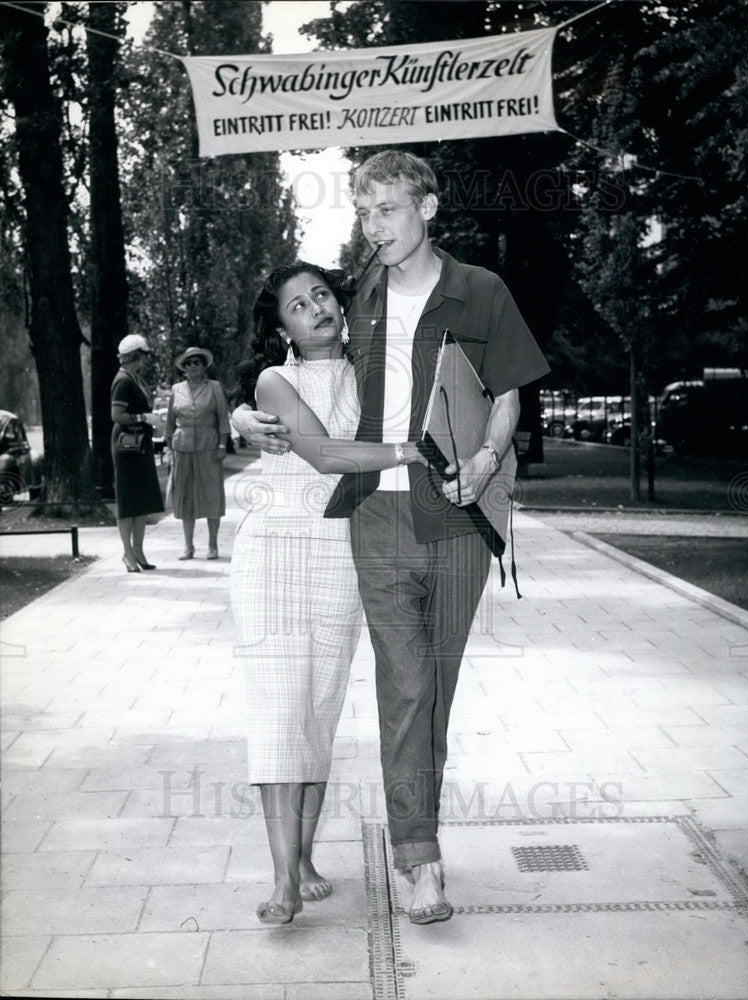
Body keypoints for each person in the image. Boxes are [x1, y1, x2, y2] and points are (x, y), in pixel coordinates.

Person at [233, 150, 550, 925]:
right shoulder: (362, 291)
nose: (374, 228)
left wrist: (481, 460)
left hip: (459, 520)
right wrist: (246, 416)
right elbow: (294, 364)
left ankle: (415, 838)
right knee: (404, 686)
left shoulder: (481, 291)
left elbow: (509, 395)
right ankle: (421, 862)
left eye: (389, 211)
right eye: (364, 213)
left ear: (428, 209)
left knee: (432, 689)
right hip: (375, 518)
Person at [230, 261, 427, 925]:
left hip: (343, 555)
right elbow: (326, 454)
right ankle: (283, 879)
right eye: (296, 304)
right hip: (273, 554)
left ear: (340, 307)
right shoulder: (273, 379)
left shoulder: (373, 377)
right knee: (279, 706)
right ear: (280, 324)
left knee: (318, 708)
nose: (314, 308)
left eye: (321, 295)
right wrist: (411, 451)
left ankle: (307, 857)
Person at [165, 347, 230, 560]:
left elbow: (222, 419)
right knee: (185, 498)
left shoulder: (214, 387)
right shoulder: (176, 390)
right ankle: (188, 546)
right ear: (183, 368)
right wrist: (169, 448)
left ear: (204, 366)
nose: (193, 366)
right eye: (188, 363)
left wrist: (222, 445)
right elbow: (170, 423)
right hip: (182, 448)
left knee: (211, 495)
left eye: (197, 362)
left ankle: (212, 545)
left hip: (209, 448)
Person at [111, 334, 164, 572]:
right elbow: (117, 416)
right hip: (127, 444)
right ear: (135, 355)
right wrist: (143, 417)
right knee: (128, 499)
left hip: (140, 443)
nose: (144, 359)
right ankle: (127, 553)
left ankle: (139, 550)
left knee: (140, 500)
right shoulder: (123, 380)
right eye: (142, 355)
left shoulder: (135, 378)